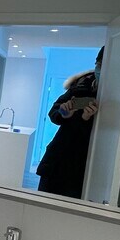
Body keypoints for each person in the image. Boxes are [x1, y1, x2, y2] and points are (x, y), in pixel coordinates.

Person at [35, 47, 104, 199]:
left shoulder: (113, 94)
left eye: (103, 66)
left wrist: (85, 119)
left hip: (79, 168)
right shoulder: (82, 83)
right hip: (55, 159)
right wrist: (64, 113)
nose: (99, 69)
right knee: (41, 203)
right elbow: (54, 112)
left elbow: (100, 136)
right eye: (98, 64)